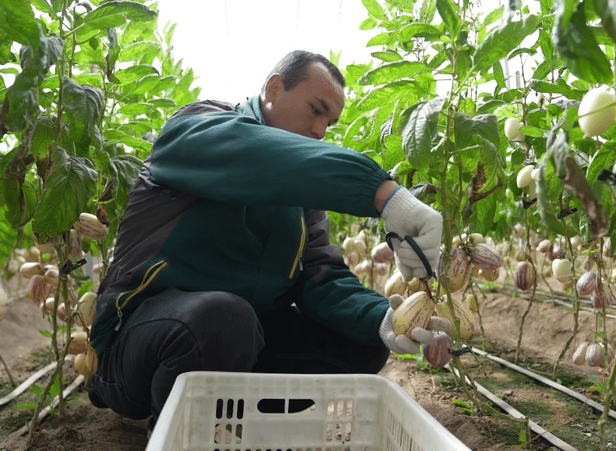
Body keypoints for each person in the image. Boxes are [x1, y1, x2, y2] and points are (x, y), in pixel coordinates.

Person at [87, 50, 449, 431]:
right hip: (138, 350)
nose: (321, 132)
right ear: (274, 88)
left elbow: (321, 276)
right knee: (223, 317)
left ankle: (249, 426)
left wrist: (382, 319)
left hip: (239, 343)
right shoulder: (196, 131)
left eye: (330, 122)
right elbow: (258, 154)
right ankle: (180, 433)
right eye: (316, 109)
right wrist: (383, 193)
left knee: (361, 339)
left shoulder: (301, 200)